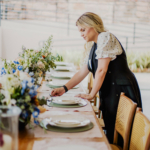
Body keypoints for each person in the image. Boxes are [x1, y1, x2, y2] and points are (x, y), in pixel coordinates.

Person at [51, 12, 142, 144]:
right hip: (112, 90)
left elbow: (101, 70)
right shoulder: (95, 45)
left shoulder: (105, 37)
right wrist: (64, 88)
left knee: (121, 134)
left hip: (121, 88)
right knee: (111, 129)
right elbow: (83, 71)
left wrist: (92, 94)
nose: (81, 34)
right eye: (79, 31)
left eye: (83, 29)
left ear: (93, 26)